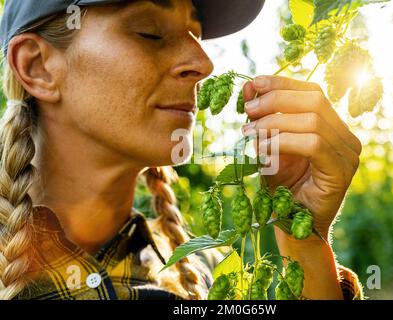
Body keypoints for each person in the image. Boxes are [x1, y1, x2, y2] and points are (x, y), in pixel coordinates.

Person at [0, 0, 364, 300]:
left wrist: (304, 243)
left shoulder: (208, 278)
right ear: (38, 66)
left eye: (197, 35)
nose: (204, 64)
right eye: (150, 32)